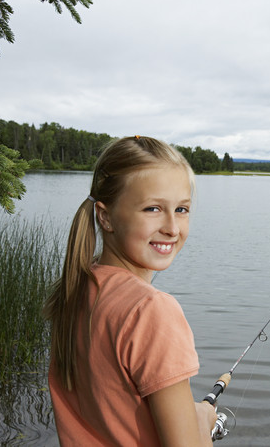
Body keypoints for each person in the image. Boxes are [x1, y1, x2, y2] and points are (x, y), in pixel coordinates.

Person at [44, 136, 217, 446]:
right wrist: (202, 423)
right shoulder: (151, 311)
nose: (172, 228)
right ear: (105, 216)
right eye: (152, 208)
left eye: (181, 209)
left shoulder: (78, 288)